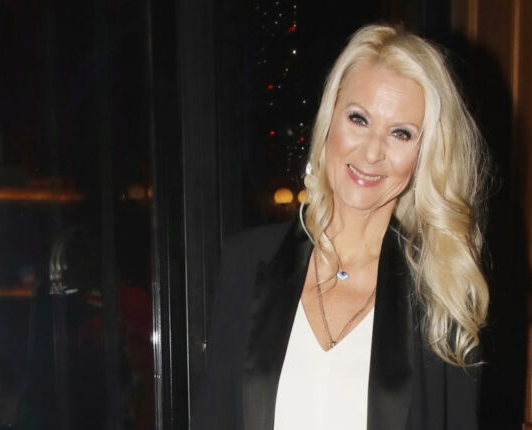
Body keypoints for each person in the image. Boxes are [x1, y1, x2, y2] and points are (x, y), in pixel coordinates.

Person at [195, 24, 490, 430]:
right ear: (330, 117)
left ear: (425, 153)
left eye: (401, 133)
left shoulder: (441, 296)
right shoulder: (246, 263)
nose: (371, 152)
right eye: (358, 119)